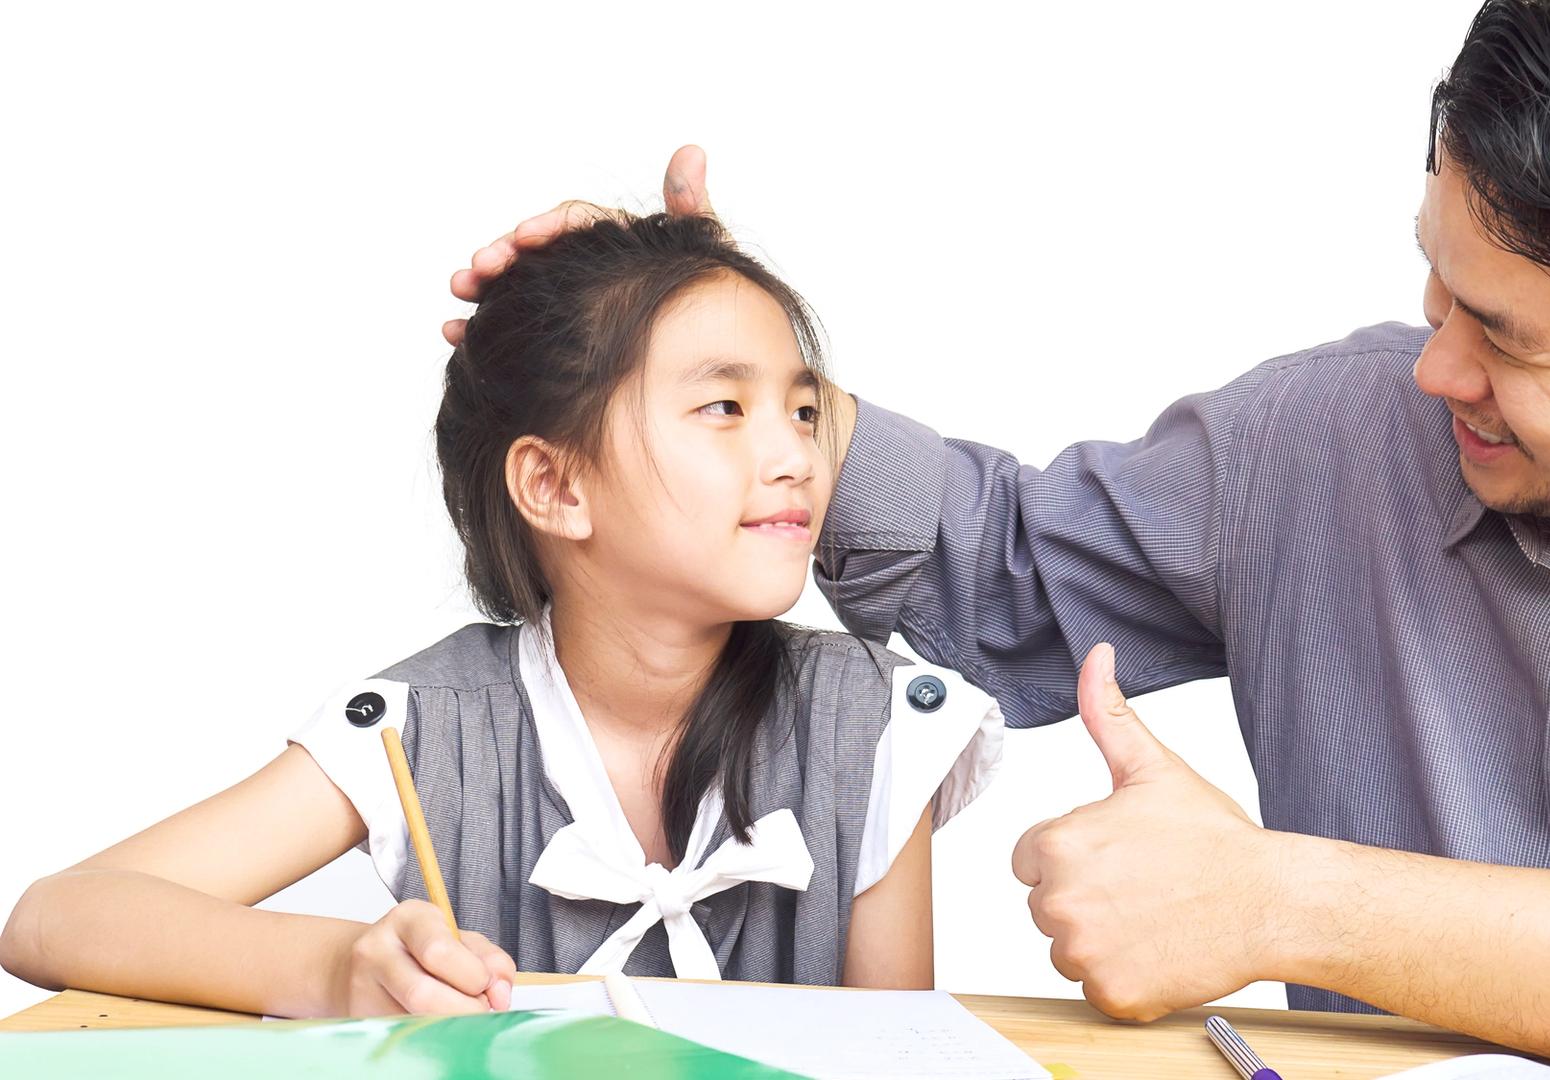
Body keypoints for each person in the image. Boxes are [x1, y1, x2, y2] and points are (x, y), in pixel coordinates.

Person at [449, 1, 1550, 1075]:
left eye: (1509, 340)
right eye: (1438, 288)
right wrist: (689, 363)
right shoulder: (1322, 439)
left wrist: (1281, 898)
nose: (1436, 370)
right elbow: (1008, 564)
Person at [0, 211, 1001, 1018]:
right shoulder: (430, 726)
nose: (794, 454)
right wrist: (339, 967)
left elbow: (899, 1054)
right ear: (554, 485)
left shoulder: (875, 726)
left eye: (803, 408)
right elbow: (54, 918)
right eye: (725, 408)